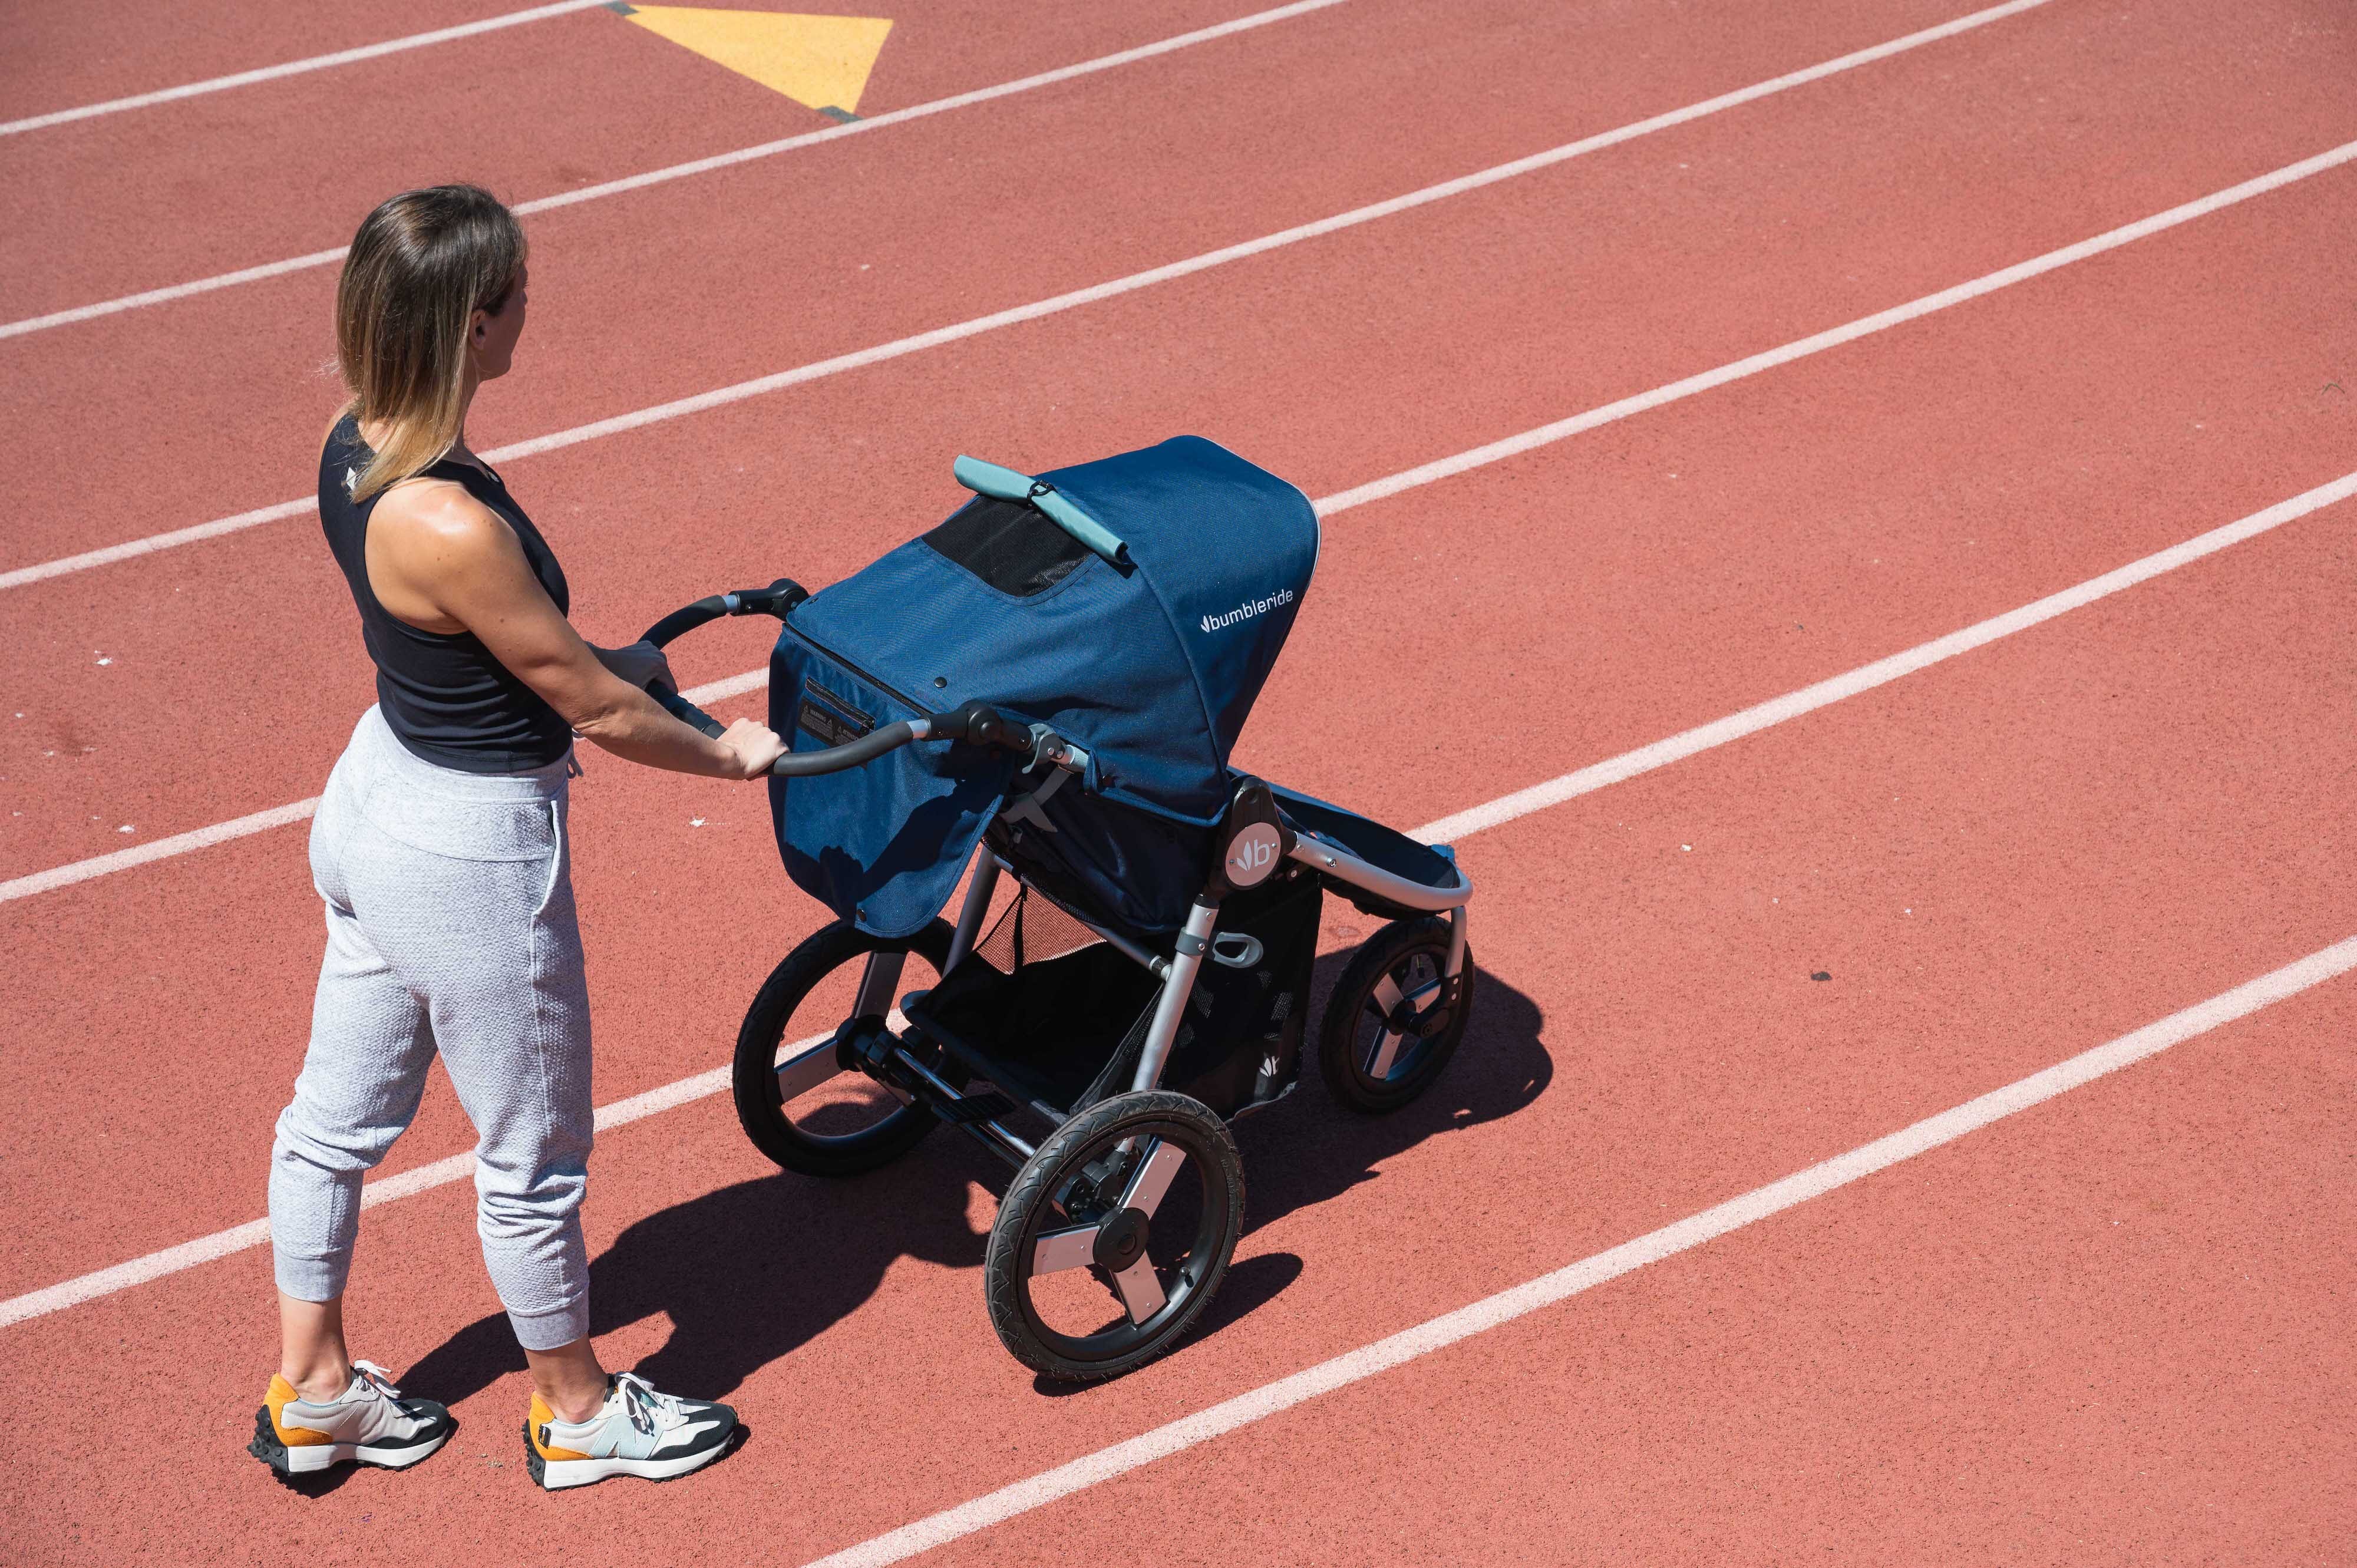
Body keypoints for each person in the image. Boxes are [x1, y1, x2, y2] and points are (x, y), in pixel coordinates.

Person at [253, 184, 782, 1491]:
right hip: (469, 851)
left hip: (376, 798)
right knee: (533, 1154)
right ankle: (578, 1409)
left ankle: (312, 1392)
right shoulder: (448, 516)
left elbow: (513, 654)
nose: (531, 313)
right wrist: (725, 749)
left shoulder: (357, 439)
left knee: (331, 1125)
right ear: (474, 322)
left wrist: (626, 656)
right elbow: (590, 708)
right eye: (521, 296)